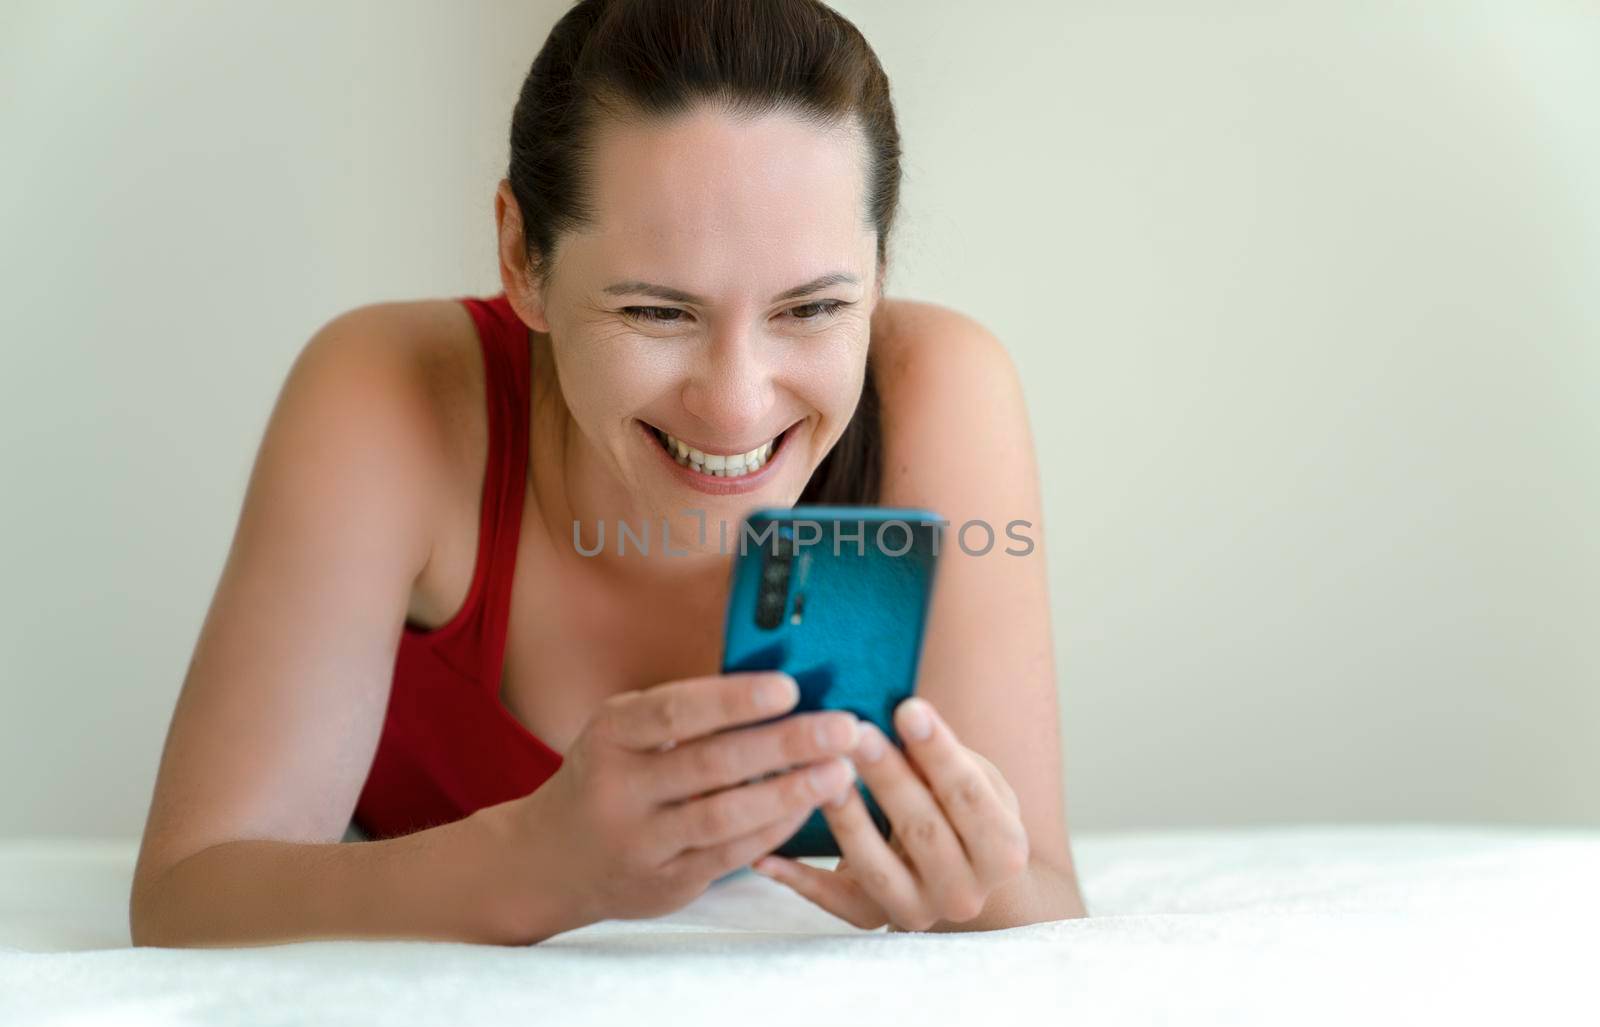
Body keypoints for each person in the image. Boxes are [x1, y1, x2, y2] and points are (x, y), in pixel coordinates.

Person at [130, 0, 1087, 948]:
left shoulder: (938, 388)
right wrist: (536, 862)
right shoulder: (390, 395)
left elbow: (1039, 892)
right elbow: (189, 894)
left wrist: (968, 887)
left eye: (811, 309)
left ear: (878, 270)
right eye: (657, 313)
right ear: (522, 256)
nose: (736, 406)